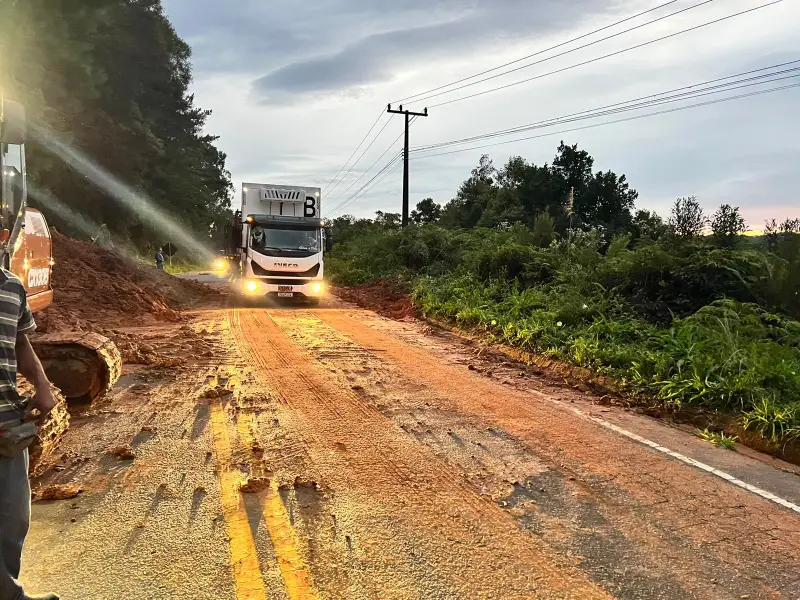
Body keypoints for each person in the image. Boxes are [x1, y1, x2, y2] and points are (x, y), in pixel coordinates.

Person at [0, 267, 59, 600]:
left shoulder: (11, 287)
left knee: (13, 519)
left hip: (8, 421)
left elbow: (19, 341)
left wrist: (42, 384)